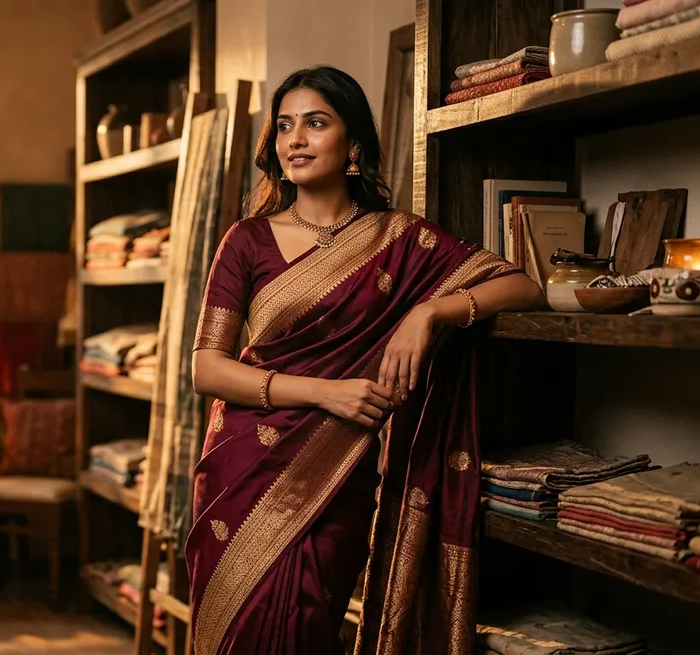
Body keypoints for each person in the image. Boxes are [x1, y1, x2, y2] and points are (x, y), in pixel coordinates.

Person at [185, 65, 545, 655]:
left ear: (353, 146)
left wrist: (429, 314)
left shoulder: (399, 241)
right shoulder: (246, 240)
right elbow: (207, 369)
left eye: (315, 123)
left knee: (309, 627)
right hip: (241, 469)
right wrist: (325, 392)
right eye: (284, 127)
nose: (295, 139)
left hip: (336, 474)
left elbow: (520, 284)